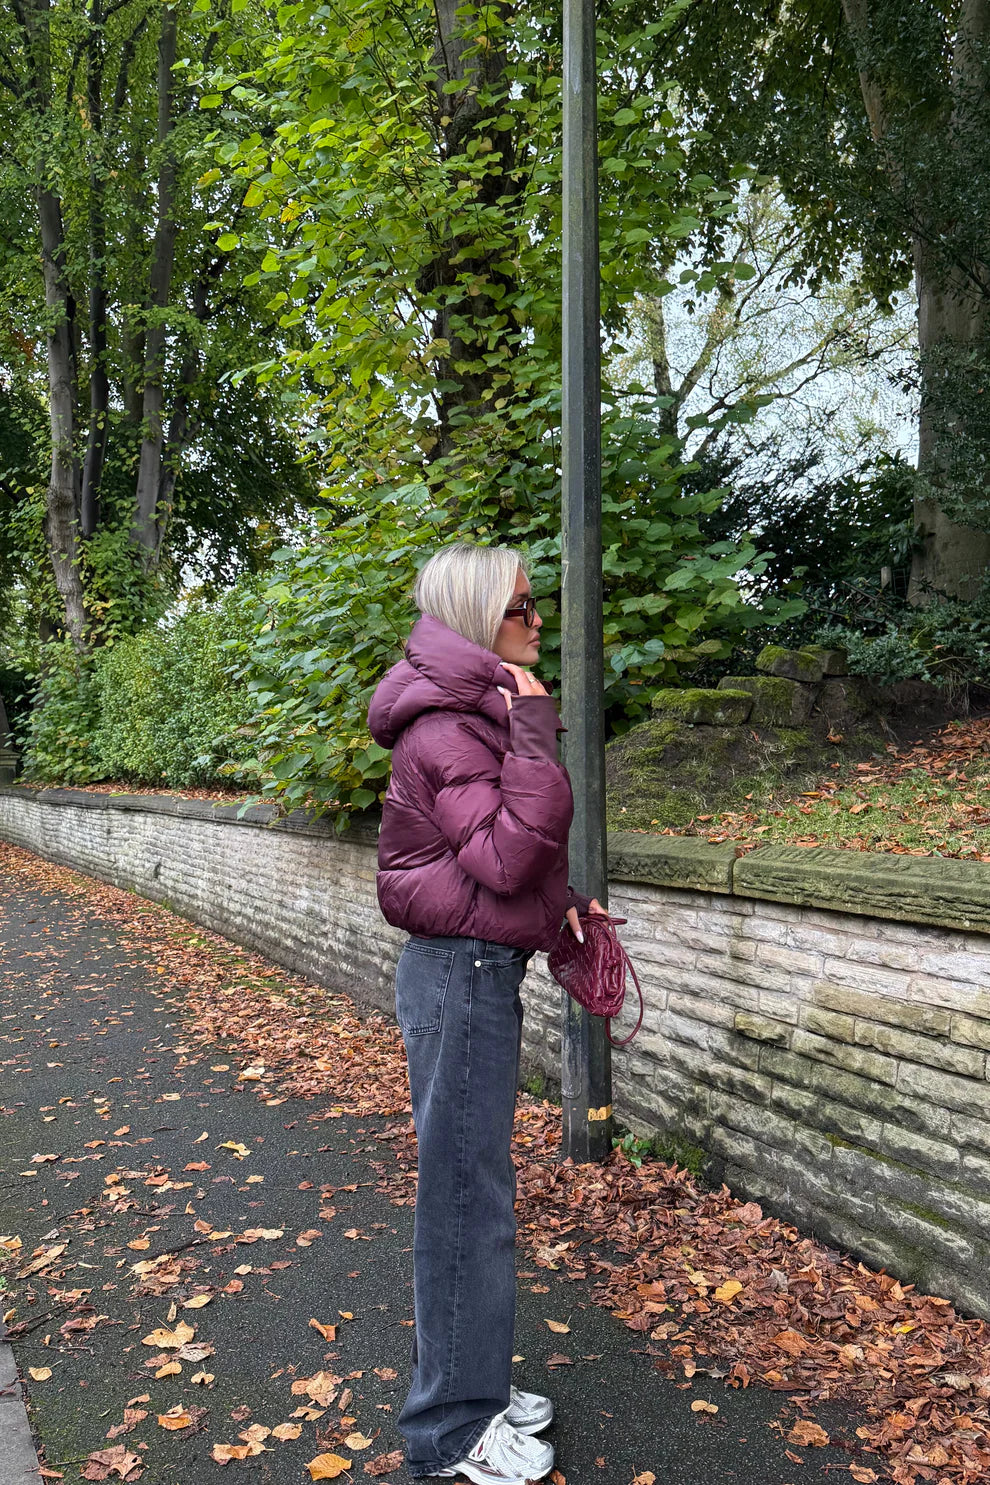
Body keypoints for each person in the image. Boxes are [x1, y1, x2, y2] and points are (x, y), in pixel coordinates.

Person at [367, 542, 604, 1485]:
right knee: (467, 1203)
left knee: (473, 1193)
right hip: (459, 978)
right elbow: (506, 857)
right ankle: (450, 1433)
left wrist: (564, 902)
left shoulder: (470, 714)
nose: (538, 620)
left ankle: (472, 1388)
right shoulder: (451, 730)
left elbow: (511, 856)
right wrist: (537, 719)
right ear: (478, 619)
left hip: (470, 968)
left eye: (537, 604)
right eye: (522, 607)